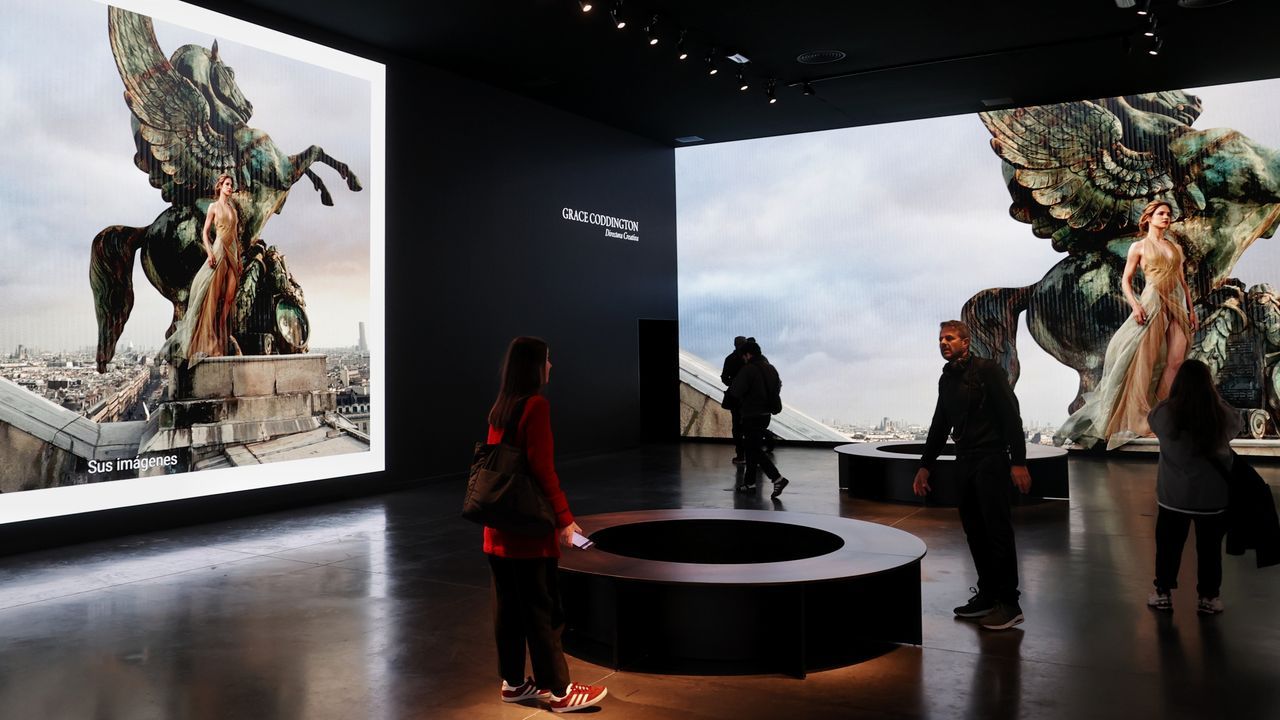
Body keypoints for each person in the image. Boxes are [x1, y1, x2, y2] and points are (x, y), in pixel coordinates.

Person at [484, 337, 607, 713]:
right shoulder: (535, 407)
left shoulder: (500, 408)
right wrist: (565, 520)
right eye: (548, 360)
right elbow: (542, 471)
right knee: (542, 612)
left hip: (497, 530)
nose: (552, 366)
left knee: (508, 613)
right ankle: (560, 692)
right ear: (535, 366)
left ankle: (515, 683)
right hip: (527, 534)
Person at [913, 320, 1031, 631]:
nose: (943, 343)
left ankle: (1010, 603)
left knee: (997, 532)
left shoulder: (988, 370)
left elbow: (1011, 416)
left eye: (949, 338)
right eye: (940, 338)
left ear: (966, 342)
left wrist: (1018, 461)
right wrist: (925, 464)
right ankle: (988, 594)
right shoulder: (947, 379)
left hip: (991, 459)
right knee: (974, 531)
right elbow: (940, 423)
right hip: (964, 460)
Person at [1056, 200, 1198, 449]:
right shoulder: (1139, 247)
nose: (1166, 217)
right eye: (1161, 213)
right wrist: (1134, 305)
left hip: (1177, 303)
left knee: (1175, 363)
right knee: (1144, 361)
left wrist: (1192, 309)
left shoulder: (1175, 248)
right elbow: (1126, 280)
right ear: (1149, 218)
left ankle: (1163, 416)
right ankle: (1146, 420)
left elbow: (1183, 282)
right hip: (1152, 301)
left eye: (1168, 214)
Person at [1146, 359, 1239, 614]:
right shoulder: (1219, 414)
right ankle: (1209, 597)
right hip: (1212, 499)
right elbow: (1237, 424)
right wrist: (1214, 399)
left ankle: (1163, 592)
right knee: (1209, 551)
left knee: (1168, 547)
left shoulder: (1165, 414)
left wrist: (1172, 397)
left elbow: (1151, 417)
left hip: (1173, 497)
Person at [161, 173, 244, 364]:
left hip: (232, 251)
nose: (230, 188)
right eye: (228, 184)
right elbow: (205, 233)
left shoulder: (233, 210)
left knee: (230, 296)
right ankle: (211, 339)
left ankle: (221, 332)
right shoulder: (214, 207)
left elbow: (236, 237)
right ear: (220, 186)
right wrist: (209, 253)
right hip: (220, 248)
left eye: (232, 185)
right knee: (212, 295)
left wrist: (239, 258)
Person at [724, 340, 789, 498]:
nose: (744, 359)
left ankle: (777, 478)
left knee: (752, 449)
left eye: (744, 356)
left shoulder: (749, 370)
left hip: (751, 414)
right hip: (765, 415)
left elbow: (736, 391)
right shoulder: (771, 368)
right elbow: (777, 386)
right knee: (752, 448)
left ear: (748, 354)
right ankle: (750, 483)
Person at [721, 336, 748, 463]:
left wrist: (734, 384)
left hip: (736, 398)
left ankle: (741, 455)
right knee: (749, 427)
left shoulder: (730, 359)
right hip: (748, 399)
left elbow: (725, 378)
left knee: (737, 428)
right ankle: (751, 455)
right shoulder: (749, 360)